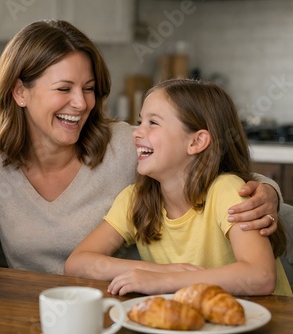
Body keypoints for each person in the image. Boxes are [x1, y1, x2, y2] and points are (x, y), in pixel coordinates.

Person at [0, 19, 281, 275]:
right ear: (19, 92)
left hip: (122, 306)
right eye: (64, 88)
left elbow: (222, 175)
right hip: (28, 310)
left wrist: (269, 195)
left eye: (89, 88)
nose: (81, 103)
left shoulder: (126, 146)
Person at [64, 79, 291, 296]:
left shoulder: (227, 191)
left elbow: (261, 276)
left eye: (153, 123)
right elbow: (77, 263)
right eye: (140, 121)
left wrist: (166, 282)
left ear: (196, 142)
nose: (137, 132)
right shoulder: (134, 199)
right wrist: (158, 272)